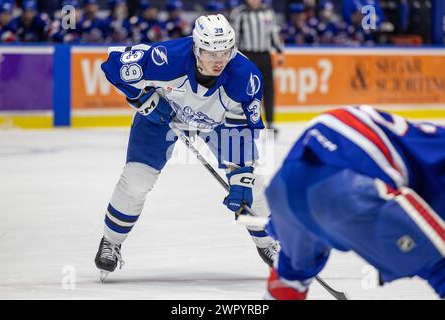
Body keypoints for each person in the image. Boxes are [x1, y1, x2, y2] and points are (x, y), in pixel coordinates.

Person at [94, 13, 280, 280]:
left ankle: (267, 244)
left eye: (225, 52)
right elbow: (114, 65)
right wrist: (143, 99)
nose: (219, 60)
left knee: (251, 186)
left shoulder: (245, 77)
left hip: (218, 123)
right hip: (161, 118)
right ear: (196, 47)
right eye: (210, 53)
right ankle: (111, 241)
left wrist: (240, 175)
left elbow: (239, 128)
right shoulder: (166, 57)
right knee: (136, 180)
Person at [263, 105, 445, 299]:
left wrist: (281, 221)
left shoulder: (420, 140)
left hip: (284, 187)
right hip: (346, 191)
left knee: (291, 275)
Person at [230, 0, 283, 134]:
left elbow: (274, 33)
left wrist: (280, 51)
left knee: (268, 89)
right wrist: (234, 56)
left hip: (265, 56)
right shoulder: (239, 13)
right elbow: (235, 36)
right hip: (247, 55)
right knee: (247, 90)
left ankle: (270, 122)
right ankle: (244, 120)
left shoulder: (268, 12)